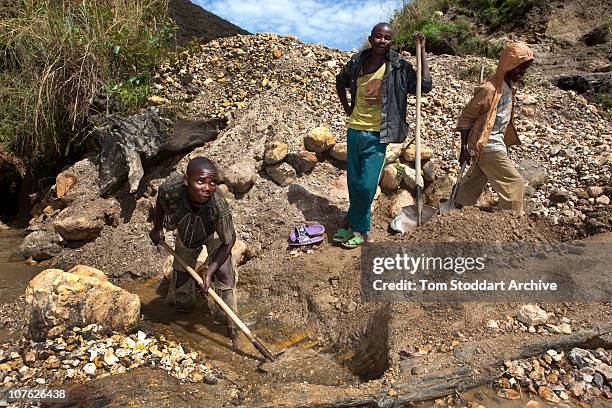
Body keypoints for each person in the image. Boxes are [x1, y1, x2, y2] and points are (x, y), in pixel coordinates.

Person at [334, 22, 432, 248]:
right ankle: (351, 221)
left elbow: (424, 85)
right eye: (378, 36)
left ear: (392, 42)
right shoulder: (357, 62)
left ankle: (362, 230)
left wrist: (423, 51)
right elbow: (340, 82)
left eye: (387, 38)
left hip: (378, 134)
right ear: (370, 38)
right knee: (354, 183)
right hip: (354, 130)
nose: (382, 41)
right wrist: (348, 108)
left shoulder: (398, 66)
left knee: (367, 185)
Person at [149, 156, 241, 348]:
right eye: (200, 181)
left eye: (212, 182)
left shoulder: (218, 205)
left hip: (215, 233)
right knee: (182, 281)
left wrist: (210, 270)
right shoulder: (171, 188)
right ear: (186, 180)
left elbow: (229, 240)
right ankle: (186, 309)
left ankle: (228, 321)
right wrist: (158, 228)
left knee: (223, 271)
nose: (207, 188)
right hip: (188, 230)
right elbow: (160, 203)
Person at [454, 42, 534, 215]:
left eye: (525, 69)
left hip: (493, 143)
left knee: (475, 179)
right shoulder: (489, 89)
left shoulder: (508, 87)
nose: (522, 73)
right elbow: (466, 118)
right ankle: (509, 222)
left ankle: (454, 210)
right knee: (514, 183)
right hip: (487, 144)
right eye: (519, 68)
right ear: (508, 65)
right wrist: (463, 149)